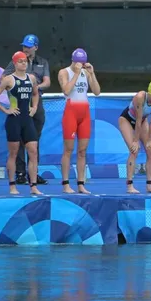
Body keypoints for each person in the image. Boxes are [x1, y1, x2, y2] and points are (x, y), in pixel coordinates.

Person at [0, 51, 42, 195]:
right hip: (14, 120)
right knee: (13, 153)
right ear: (15, 63)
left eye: (25, 61)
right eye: (20, 61)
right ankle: (12, 186)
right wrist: (6, 110)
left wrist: (34, 107)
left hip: (27, 119)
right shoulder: (8, 80)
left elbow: (36, 94)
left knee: (33, 152)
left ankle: (34, 186)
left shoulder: (31, 78)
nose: (24, 63)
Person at [3, 34, 49, 186]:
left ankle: (33, 174)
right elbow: (3, 78)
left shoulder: (42, 62)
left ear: (36, 47)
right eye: (24, 46)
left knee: (33, 140)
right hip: (19, 104)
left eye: (29, 47)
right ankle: (20, 173)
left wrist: (32, 86)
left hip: (35, 104)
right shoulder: (16, 60)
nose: (26, 49)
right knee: (18, 141)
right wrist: (21, 86)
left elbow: (47, 82)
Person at [58, 48, 101, 194]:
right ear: (73, 61)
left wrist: (92, 73)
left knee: (82, 151)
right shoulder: (64, 72)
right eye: (79, 63)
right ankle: (65, 184)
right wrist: (76, 74)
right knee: (68, 150)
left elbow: (97, 92)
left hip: (84, 113)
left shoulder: (85, 72)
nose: (81, 65)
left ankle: (81, 184)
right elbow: (66, 91)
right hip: (71, 112)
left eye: (83, 63)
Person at [118, 81, 151, 194]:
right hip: (127, 120)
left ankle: (149, 185)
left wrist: (150, 139)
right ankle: (129, 185)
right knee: (134, 150)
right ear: (149, 93)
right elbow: (137, 121)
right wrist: (135, 140)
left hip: (143, 121)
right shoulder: (140, 97)